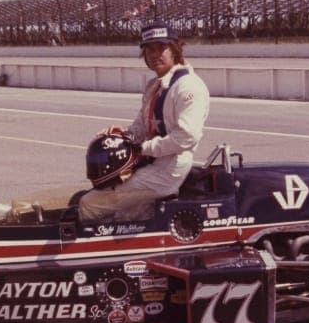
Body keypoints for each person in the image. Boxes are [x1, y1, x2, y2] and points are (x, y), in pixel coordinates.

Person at [77, 20, 210, 224]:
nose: (155, 54)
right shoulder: (155, 86)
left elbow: (186, 137)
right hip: (152, 165)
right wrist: (123, 135)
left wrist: (143, 148)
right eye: (149, 50)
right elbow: (141, 126)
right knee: (103, 192)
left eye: (161, 48)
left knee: (90, 203)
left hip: (167, 171)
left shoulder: (188, 86)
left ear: (175, 49)